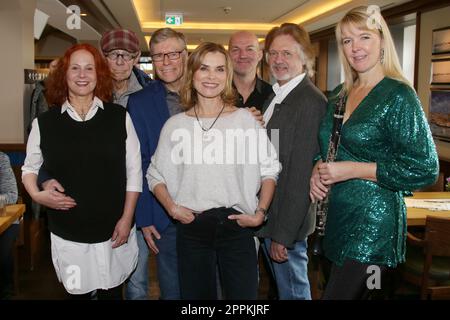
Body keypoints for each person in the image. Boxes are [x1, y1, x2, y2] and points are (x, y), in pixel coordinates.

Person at [309, 6, 439, 300]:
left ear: (381, 41)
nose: (355, 48)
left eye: (364, 37)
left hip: (373, 229)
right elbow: (329, 147)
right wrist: (317, 169)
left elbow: (425, 167)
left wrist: (354, 169)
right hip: (336, 222)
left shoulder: (398, 95)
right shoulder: (339, 94)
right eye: (346, 40)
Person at [126, 28, 265, 300]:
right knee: (176, 293)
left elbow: (251, 161)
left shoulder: (223, 95)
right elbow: (139, 163)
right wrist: (144, 218)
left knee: (224, 291)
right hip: (165, 217)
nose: (166, 61)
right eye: (158, 56)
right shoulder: (140, 102)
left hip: (222, 218)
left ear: (186, 57)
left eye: (173, 54)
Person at [22, 43, 142, 299]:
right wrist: (36, 193)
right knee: (75, 294)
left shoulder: (119, 117)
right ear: (64, 75)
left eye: (89, 68)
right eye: (75, 68)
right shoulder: (44, 123)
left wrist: (127, 218)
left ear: (98, 74)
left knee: (112, 294)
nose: (82, 74)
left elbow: (134, 172)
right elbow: (30, 168)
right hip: (69, 233)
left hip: (113, 230)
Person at [256, 23, 328, 300]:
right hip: (272, 216)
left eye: (287, 53)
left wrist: (283, 235)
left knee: (294, 293)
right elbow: (272, 155)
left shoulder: (309, 101)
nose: (278, 60)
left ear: (305, 57)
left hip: (287, 225)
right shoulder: (277, 95)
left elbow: (299, 174)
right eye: (273, 54)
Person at [228, 31, 273, 111]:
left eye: (249, 49)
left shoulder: (272, 95)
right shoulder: (216, 94)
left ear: (260, 55)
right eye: (236, 50)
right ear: (228, 56)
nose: (242, 55)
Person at [0, 151, 19, 299]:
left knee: (2, 253)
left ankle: (7, 288)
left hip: (7, 219)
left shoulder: (1, 159)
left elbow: (12, 195)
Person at [28, 58, 59, 132]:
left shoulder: (69, 86)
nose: (56, 69)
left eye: (58, 66)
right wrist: (32, 128)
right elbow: (33, 110)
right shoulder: (40, 88)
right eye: (54, 66)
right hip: (43, 127)